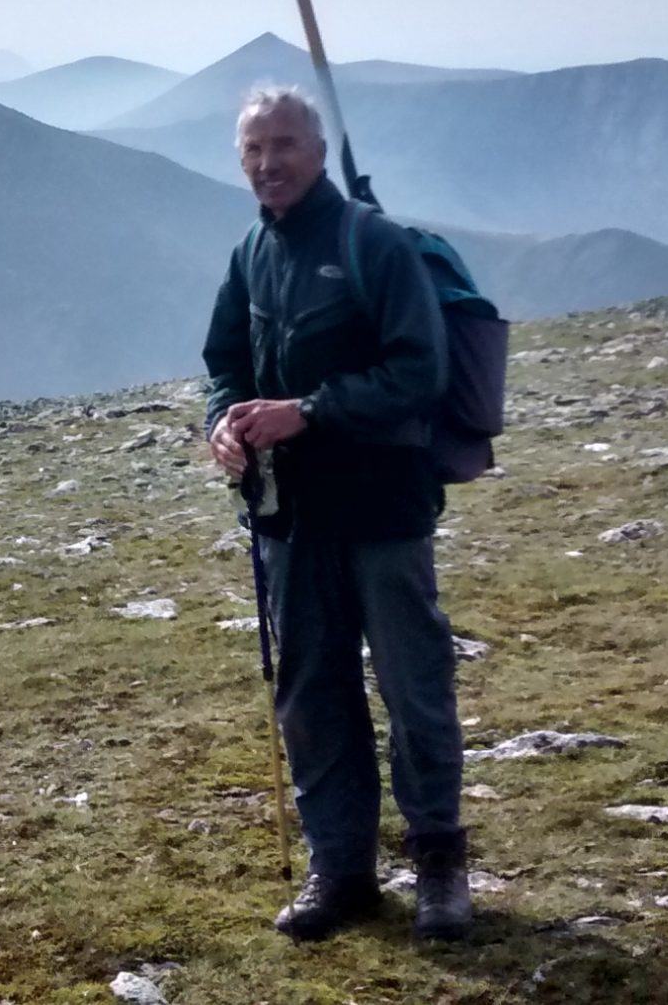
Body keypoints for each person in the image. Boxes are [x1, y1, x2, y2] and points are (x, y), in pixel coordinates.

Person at [201, 84, 473, 944]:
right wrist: (223, 426)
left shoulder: (373, 243)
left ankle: (439, 865)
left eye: (283, 144)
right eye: (253, 149)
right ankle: (342, 870)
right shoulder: (250, 252)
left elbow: (419, 372)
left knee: (411, 685)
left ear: (317, 151)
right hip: (290, 516)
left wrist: (309, 412)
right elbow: (225, 362)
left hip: (383, 506)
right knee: (312, 692)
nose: (268, 162)